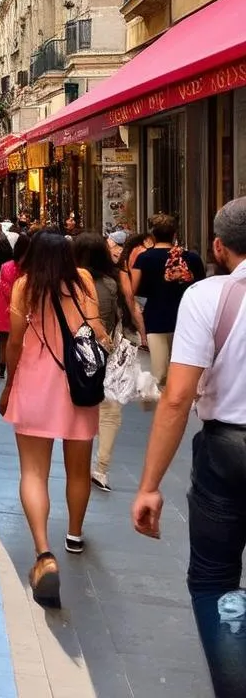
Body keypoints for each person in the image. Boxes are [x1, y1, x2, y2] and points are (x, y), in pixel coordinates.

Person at [132, 197, 246, 697]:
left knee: (214, 579)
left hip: (228, 452)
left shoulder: (209, 297)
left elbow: (177, 397)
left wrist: (150, 485)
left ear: (219, 248)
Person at [0, 229, 109, 608]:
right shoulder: (84, 280)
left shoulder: (24, 286)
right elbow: (97, 331)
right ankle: (74, 535)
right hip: (79, 387)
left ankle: (44, 552)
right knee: (78, 470)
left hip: (34, 383)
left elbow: (14, 343)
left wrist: (9, 385)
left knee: (33, 472)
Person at [72, 232, 141, 493]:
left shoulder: (68, 278)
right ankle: (101, 468)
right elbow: (128, 309)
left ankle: (79, 461)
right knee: (110, 410)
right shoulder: (114, 278)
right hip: (107, 349)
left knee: (80, 407)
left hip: (76, 353)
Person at [131, 213, 205, 387]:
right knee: (185, 371)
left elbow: (134, 289)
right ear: (174, 234)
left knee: (160, 375)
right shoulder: (192, 258)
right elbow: (202, 288)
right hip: (187, 319)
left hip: (156, 318)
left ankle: (165, 405)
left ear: (152, 236)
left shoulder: (144, 258)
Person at [0, 233, 30, 380]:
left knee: (3, 340)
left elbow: (3, 287)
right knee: (19, 341)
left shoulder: (5, 267)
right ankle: (16, 369)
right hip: (20, 310)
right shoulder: (29, 270)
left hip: (3, 309)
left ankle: (2, 368)